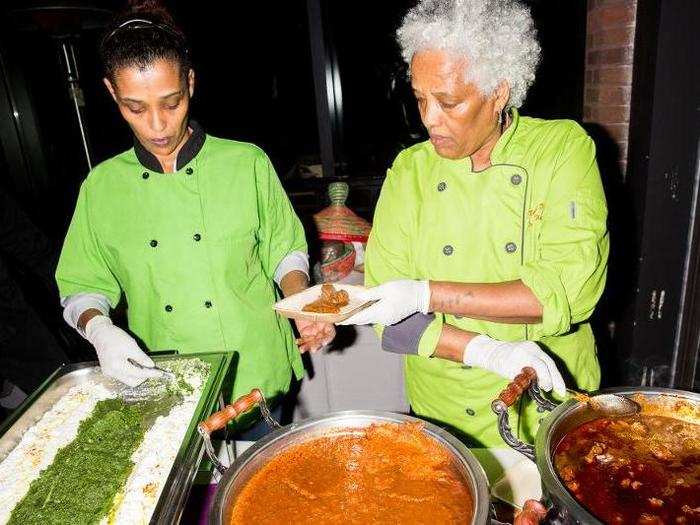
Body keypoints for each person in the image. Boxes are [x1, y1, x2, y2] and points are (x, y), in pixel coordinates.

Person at [55, 1, 334, 434]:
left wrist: (301, 303)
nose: (157, 125)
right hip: (170, 382)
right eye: (135, 107)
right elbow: (81, 288)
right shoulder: (102, 187)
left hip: (258, 372)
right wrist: (99, 331)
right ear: (111, 92)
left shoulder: (246, 163)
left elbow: (285, 250)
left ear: (190, 82)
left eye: (171, 102)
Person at [343, 0, 609, 447]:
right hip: (442, 406)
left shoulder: (560, 150)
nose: (429, 118)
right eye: (420, 98)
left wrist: (427, 293)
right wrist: (485, 350)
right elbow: (384, 313)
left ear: (499, 91)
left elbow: (570, 291)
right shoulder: (410, 170)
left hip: (548, 400)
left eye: (449, 101)